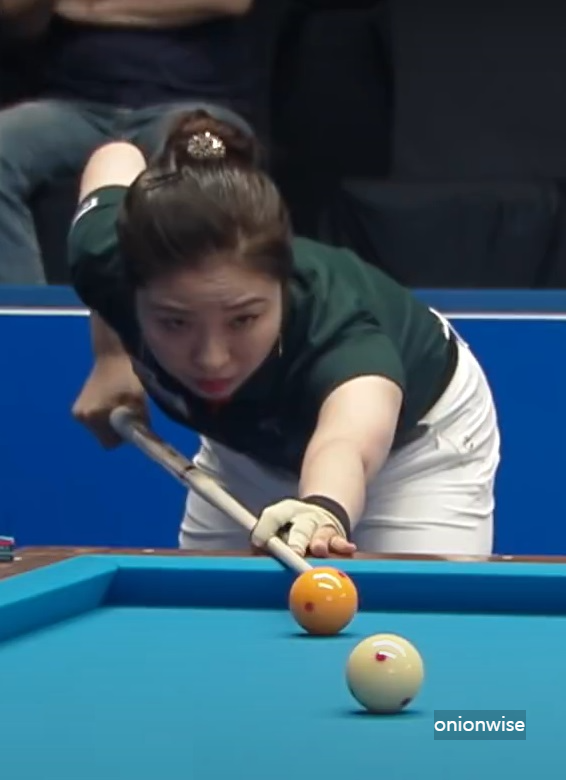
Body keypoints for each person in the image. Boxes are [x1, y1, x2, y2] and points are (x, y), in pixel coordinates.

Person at [67, 109, 501, 559]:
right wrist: (111, 358)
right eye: (175, 322)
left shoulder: (338, 330)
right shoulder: (104, 258)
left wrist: (323, 510)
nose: (213, 358)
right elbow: (116, 156)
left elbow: (345, 442)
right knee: (209, 599)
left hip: (414, 453)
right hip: (249, 451)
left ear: (282, 287)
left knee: (414, 603)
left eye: (243, 320)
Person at [0, 0, 255, 283]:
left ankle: (189, 307)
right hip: (74, 106)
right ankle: (22, 309)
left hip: (192, 109)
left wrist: (87, 9)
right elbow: (13, 11)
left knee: (207, 156)